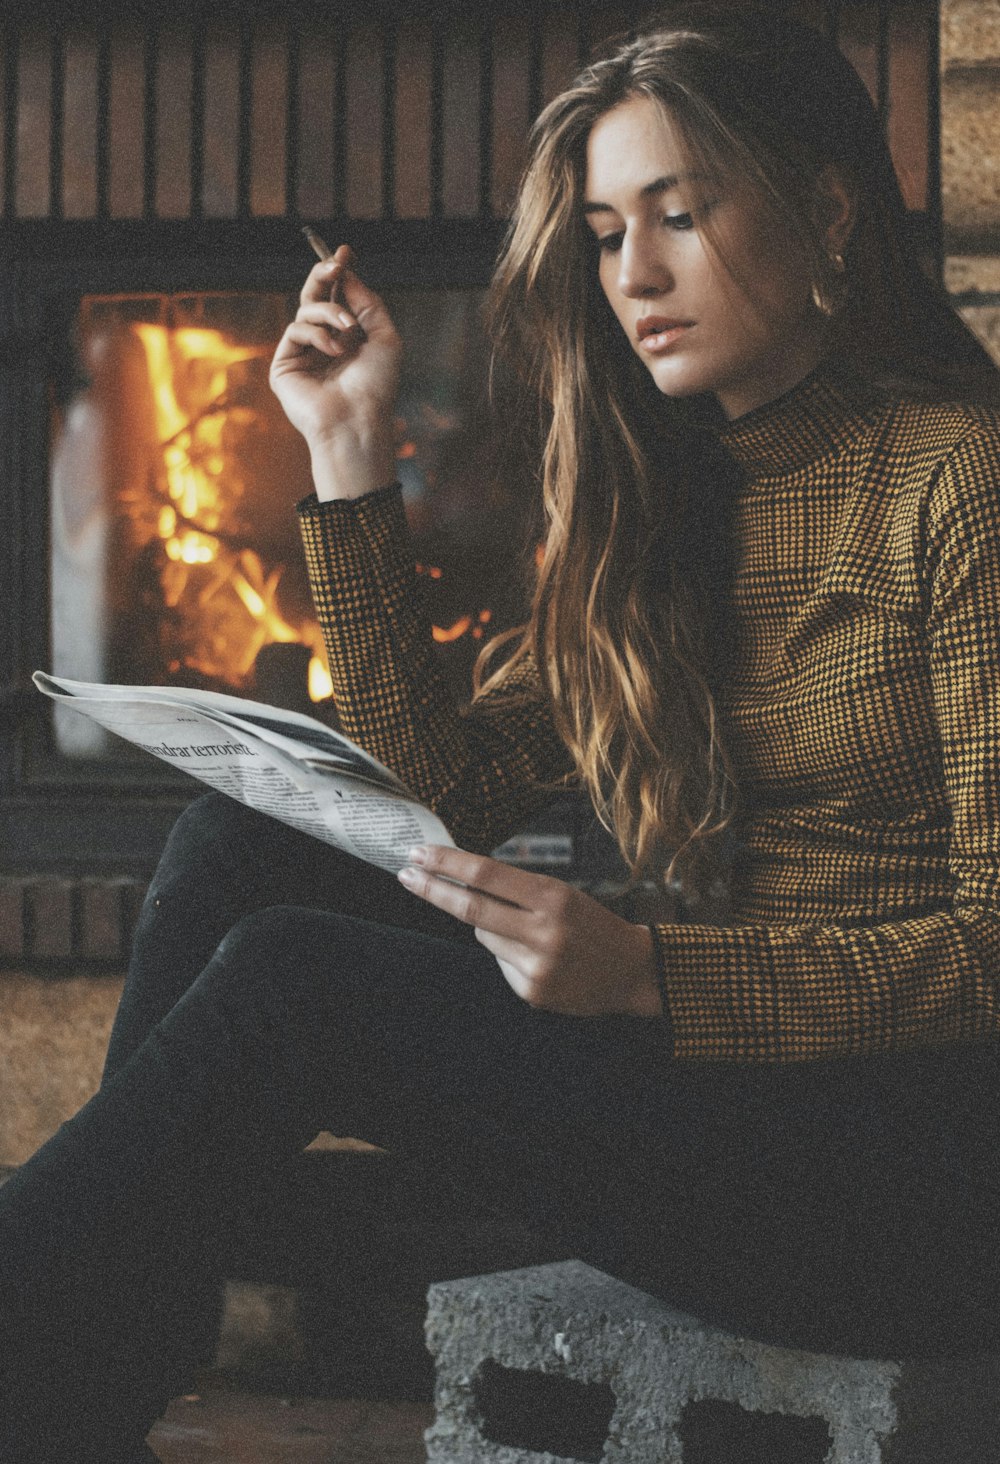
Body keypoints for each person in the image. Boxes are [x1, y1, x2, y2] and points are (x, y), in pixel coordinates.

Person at [4, 5, 1000, 1459]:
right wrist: (347, 457)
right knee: (241, 848)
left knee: (296, 985)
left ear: (827, 207)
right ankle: (67, 1384)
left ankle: (47, 1364)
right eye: (604, 233)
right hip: (729, 1096)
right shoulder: (676, 492)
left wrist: (653, 977)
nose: (635, 273)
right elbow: (447, 788)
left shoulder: (956, 487)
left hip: (915, 1176)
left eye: (681, 213)